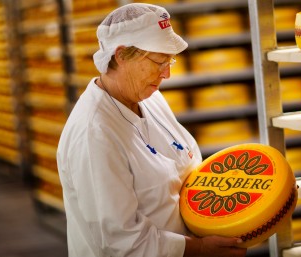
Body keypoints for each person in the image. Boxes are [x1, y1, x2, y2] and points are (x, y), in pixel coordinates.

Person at [56, 3, 247, 257]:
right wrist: (198, 248)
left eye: (170, 61)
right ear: (121, 55)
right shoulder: (94, 134)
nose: (166, 73)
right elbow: (122, 241)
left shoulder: (149, 97)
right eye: (159, 61)